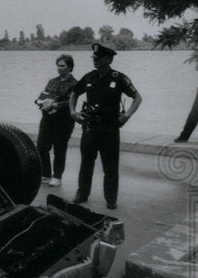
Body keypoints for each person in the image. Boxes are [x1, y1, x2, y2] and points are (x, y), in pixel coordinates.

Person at [68, 43, 143, 210]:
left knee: (110, 165)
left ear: (108, 59)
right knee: (86, 163)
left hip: (110, 128)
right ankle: (82, 193)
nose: (95, 60)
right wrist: (73, 112)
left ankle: (110, 198)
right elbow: (74, 93)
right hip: (90, 127)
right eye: (94, 58)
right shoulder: (89, 77)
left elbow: (137, 97)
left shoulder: (119, 78)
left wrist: (127, 115)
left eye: (98, 58)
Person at [34, 54, 77, 187]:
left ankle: (57, 176)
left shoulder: (75, 83)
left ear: (69, 67)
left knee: (59, 148)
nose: (59, 68)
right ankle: (46, 174)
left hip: (63, 120)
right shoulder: (52, 81)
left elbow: (70, 102)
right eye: (58, 66)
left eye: (62, 66)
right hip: (47, 117)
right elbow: (43, 95)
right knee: (41, 146)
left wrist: (54, 105)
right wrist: (40, 102)